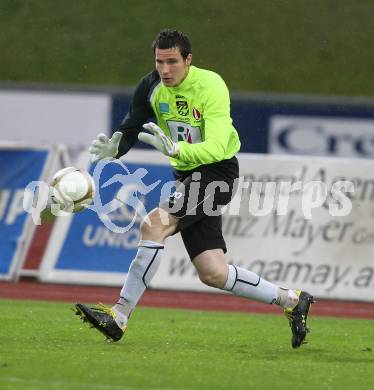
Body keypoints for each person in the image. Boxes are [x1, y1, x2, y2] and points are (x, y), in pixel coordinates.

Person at [74, 29, 314, 348]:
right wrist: (116, 147)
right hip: (187, 178)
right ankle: (291, 300)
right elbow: (132, 127)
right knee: (212, 271)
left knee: (153, 225)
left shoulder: (210, 85)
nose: (165, 70)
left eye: (172, 61)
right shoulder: (151, 86)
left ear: (188, 60)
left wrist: (178, 151)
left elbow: (216, 146)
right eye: (160, 62)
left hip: (217, 172)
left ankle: (119, 316)